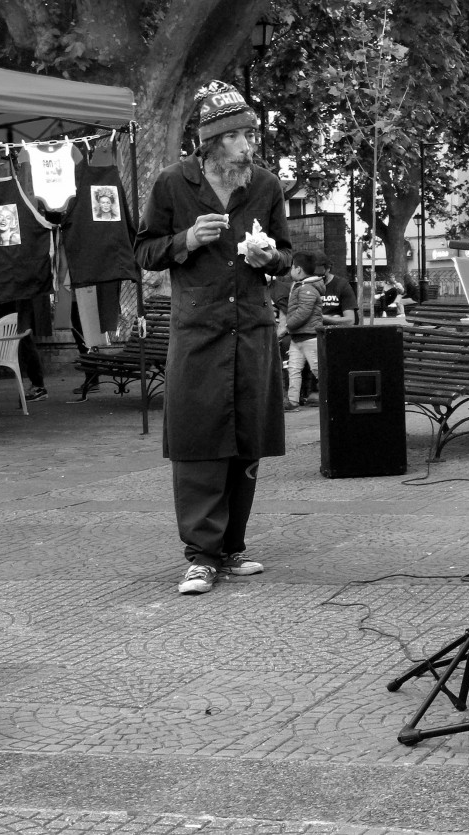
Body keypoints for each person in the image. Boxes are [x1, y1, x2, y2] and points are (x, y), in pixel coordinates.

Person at [134, 79, 291, 597]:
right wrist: (184, 240)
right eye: (240, 135)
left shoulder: (264, 186)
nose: (250, 144)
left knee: (246, 437)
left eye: (250, 134)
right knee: (199, 439)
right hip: (197, 331)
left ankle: (232, 546)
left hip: (251, 327)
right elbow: (144, 250)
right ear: (212, 141)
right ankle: (201, 555)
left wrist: (271, 258)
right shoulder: (172, 185)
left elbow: (286, 255)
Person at [284, 251, 325, 411]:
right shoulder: (300, 287)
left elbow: (303, 312)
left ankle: (334, 395)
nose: (290, 271)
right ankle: (292, 400)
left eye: (292, 268)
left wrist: (288, 326)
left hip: (309, 336)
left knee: (318, 369)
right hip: (298, 337)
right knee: (294, 368)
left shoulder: (307, 288)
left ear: (298, 269)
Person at [314, 252, 357, 327]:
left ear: (328, 269)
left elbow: (350, 320)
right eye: (314, 275)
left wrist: (323, 318)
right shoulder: (305, 285)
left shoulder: (341, 285)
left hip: (335, 331)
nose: (318, 279)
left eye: (321, 275)